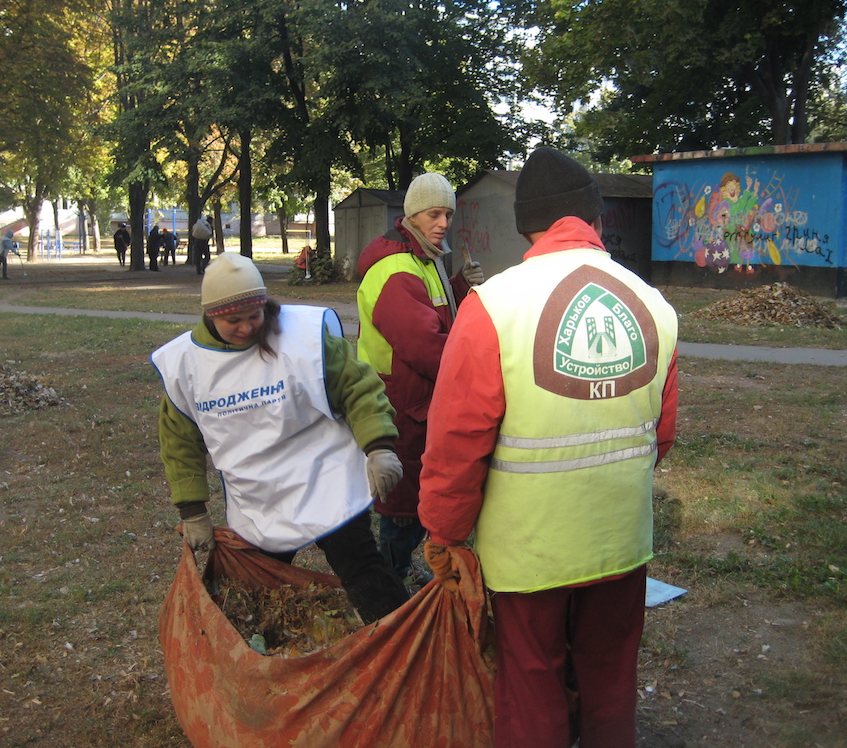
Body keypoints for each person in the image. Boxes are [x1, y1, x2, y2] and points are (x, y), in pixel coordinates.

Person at [418, 147, 680, 748]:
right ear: (594, 216)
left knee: (532, 685)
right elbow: (659, 436)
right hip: (620, 541)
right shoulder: (654, 305)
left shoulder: (493, 307)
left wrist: (444, 533)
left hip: (526, 552)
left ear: (525, 223)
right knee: (611, 680)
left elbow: (457, 444)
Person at [151, 253, 411, 624]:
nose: (245, 328)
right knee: (258, 587)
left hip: (323, 474)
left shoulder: (301, 338)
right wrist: (192, 510)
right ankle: (262, 656)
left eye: (254, 316)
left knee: (361, 565)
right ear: (210, 314)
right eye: (232, 320)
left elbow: (358, 388)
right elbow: (179, 441)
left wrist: (379, 446)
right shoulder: (186, 367)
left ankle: (400, 638)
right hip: (259, 493)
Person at [356, 172, 484, 587]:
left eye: (448, 213)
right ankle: (388, 583)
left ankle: (399, 569)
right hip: (400, 407)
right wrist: (480, 367)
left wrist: (460, 286)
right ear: (412, 214)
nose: (443, 222)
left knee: (416, 498)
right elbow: (426, 346)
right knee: (403, 507)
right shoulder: (396, 270)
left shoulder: (423, 259)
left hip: (418, 405)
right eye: (434, 213)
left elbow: (435, 316)